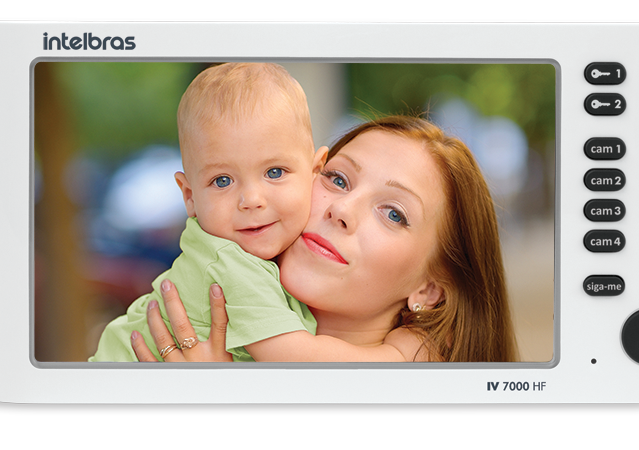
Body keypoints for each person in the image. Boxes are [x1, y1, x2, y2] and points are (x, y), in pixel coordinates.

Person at [132, 115, 519, 362]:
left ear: (429, 290)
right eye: (337, 179)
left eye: (393, 213)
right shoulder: (223, 269)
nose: (342, 209)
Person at [91, 62, 325, 361]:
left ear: (316, 171)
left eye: (275, 172)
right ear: (189, 196)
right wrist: (384, 355)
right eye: (222, 181)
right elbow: (301, 361)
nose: (251, 200)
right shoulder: (230, 265)